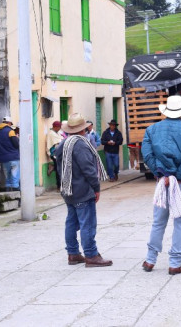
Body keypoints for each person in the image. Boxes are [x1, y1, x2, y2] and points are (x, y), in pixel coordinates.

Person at [140, 96, 181, 275]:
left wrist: (162, 174)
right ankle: (175, 263)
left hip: (162, 182)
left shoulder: (151, 130)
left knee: (158, 222)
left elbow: (147, 155)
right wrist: (177, 176)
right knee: (180, 223)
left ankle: (150, 260)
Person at [54, 113, 112, 267]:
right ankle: (91, 255)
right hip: (82, 190)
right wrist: (96, 188)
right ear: (82, 130)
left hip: (68, 190)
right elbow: (88, 169)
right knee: (87, 223)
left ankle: (73, 253)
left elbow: (59, 168)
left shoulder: (63, 144)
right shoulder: (81, 144)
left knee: (71, 222)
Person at [0, 116, 20, 191]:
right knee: (15, 178)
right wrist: (17, 138)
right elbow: (16, 144)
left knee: (7, 178)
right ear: (9, 123)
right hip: (14, 158)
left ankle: (8, 195)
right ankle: (17, 198)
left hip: (3, 159)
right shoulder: (10, 131)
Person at [46, 120, 63, 188]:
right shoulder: (51, 134)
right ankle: (59, 185)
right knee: (58, 169)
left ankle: (52, 167)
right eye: (59, 127)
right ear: (55, 127)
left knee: (59, 168)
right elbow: (59, 141)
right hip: (54, 154)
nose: (60, 128)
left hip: (58, 153)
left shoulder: (57, 133)